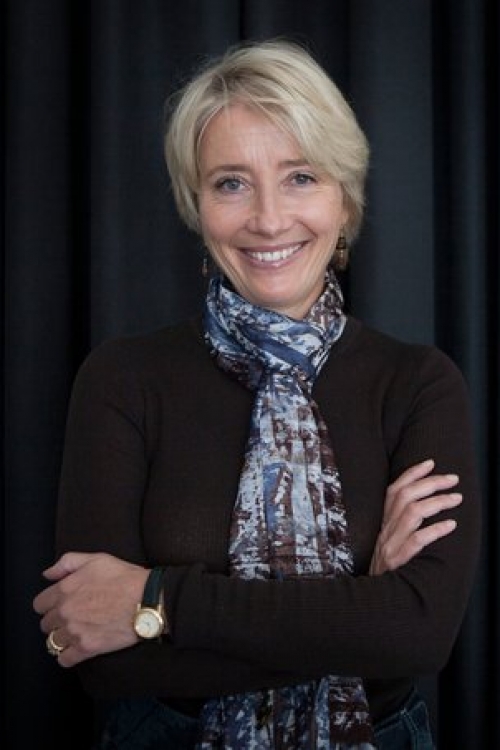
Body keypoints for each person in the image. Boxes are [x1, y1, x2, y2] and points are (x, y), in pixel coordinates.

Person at [33, 39, 480, 749]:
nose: (269, 219)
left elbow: (420, 636)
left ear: (344, 197)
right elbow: (101, 659)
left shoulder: (417, 384)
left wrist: (157, 601)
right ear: (196, 205)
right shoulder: (124, 379)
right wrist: (362, 605)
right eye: (231, 183)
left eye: (300, 177)